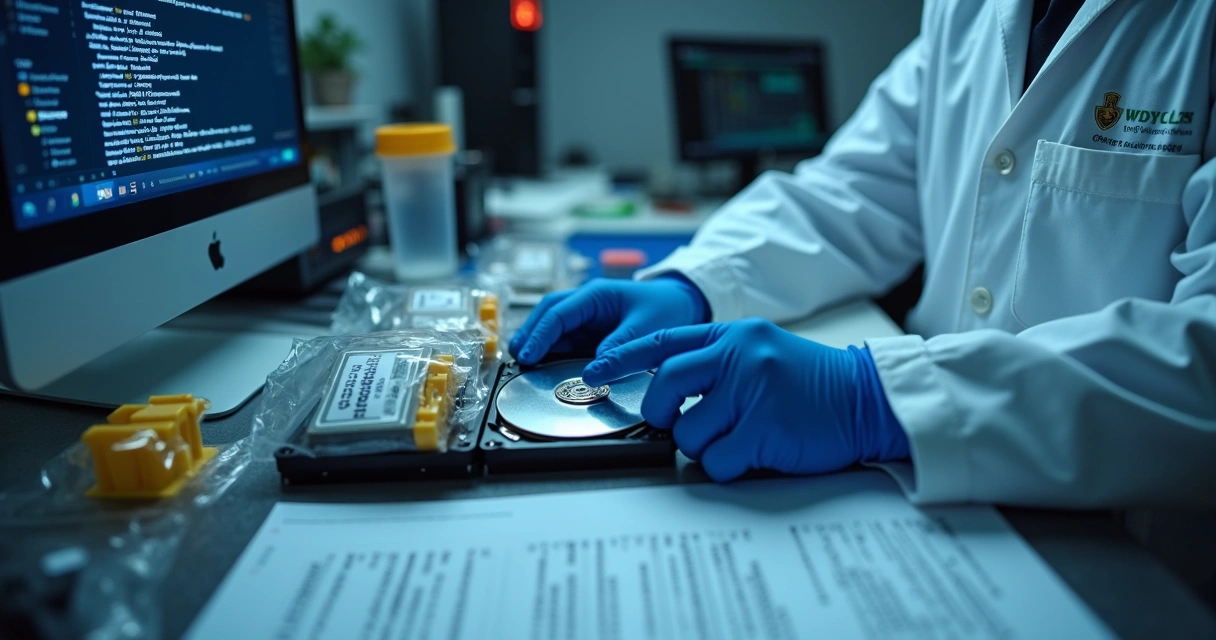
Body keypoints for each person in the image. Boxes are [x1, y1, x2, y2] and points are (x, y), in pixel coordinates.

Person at [511, 0, 1216, 510]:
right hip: (930, 492)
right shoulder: (966, 11)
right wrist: (692, 283)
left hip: (1133, 533)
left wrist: (873, 397)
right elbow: (857, 188)